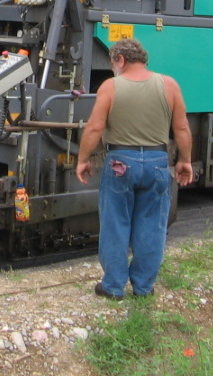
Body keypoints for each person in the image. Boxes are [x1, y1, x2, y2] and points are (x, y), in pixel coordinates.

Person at [76, 38, 194, 300]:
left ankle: (113, 286)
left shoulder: (111, 86)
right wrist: (184, 160)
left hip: (120, 161)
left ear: (120, 60)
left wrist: (83, 159)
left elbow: (95, 127)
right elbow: (182, 127)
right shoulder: (169, 85)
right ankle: (143, 287)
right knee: (152, 226)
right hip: (157, 162)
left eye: (112, 63)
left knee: (116, 224)